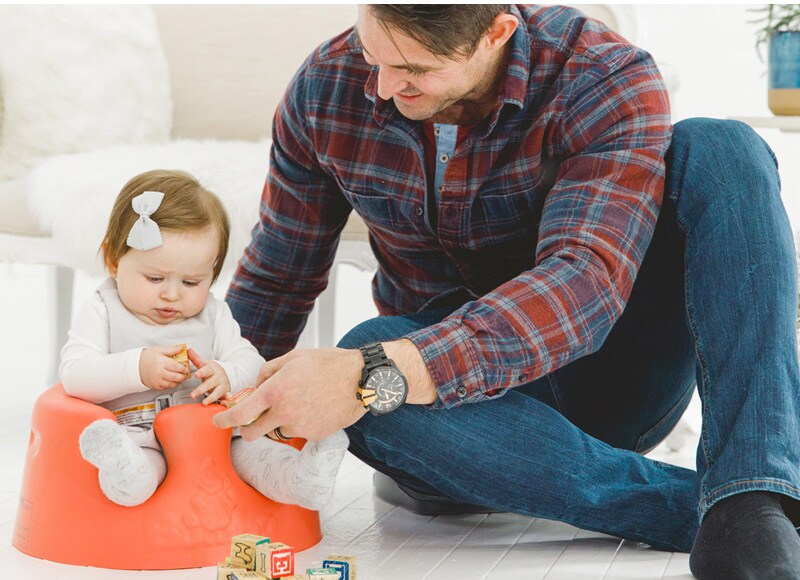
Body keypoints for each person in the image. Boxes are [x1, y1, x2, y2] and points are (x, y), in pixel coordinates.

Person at [213, 5, 800, 578]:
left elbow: (585, 280)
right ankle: (737, 511)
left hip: (607, 376)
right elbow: (276, 279)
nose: (384, 88)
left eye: (415, 70)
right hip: (443, 426)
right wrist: (204, 412)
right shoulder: (326, 87)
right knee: (366, 351)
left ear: (497, 33)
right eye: (373, 56)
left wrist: (382, 371)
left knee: (723, 148)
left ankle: (753, 488)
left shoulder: (599, 74)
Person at [60, 169, 348, 510]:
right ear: (113, 259)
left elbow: (252, 363)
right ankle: (122, 473)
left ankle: (301, 480)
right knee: (143, 469)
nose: (171, 295)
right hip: (141, 437)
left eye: (192, 282)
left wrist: (226, 373)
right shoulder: (103, 310)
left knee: (255, 451)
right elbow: (74, 374)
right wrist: (136, 368)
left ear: (211, 274)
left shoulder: (213, 314)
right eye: (155, 277)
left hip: (218, 436)